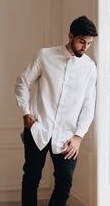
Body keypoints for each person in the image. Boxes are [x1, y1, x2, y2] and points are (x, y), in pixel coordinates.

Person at [14, 16, 98, 206]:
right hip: (38, 129)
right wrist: (26, 112)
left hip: (68, 136)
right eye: (81, 41)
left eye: (89, 43)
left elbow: (88, 104)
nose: (85, 47)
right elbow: (22, 82)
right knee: (31, 178)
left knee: (65, 182)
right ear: (70, 36)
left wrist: (78, 137)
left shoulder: (90, 68)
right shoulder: (45, 56)